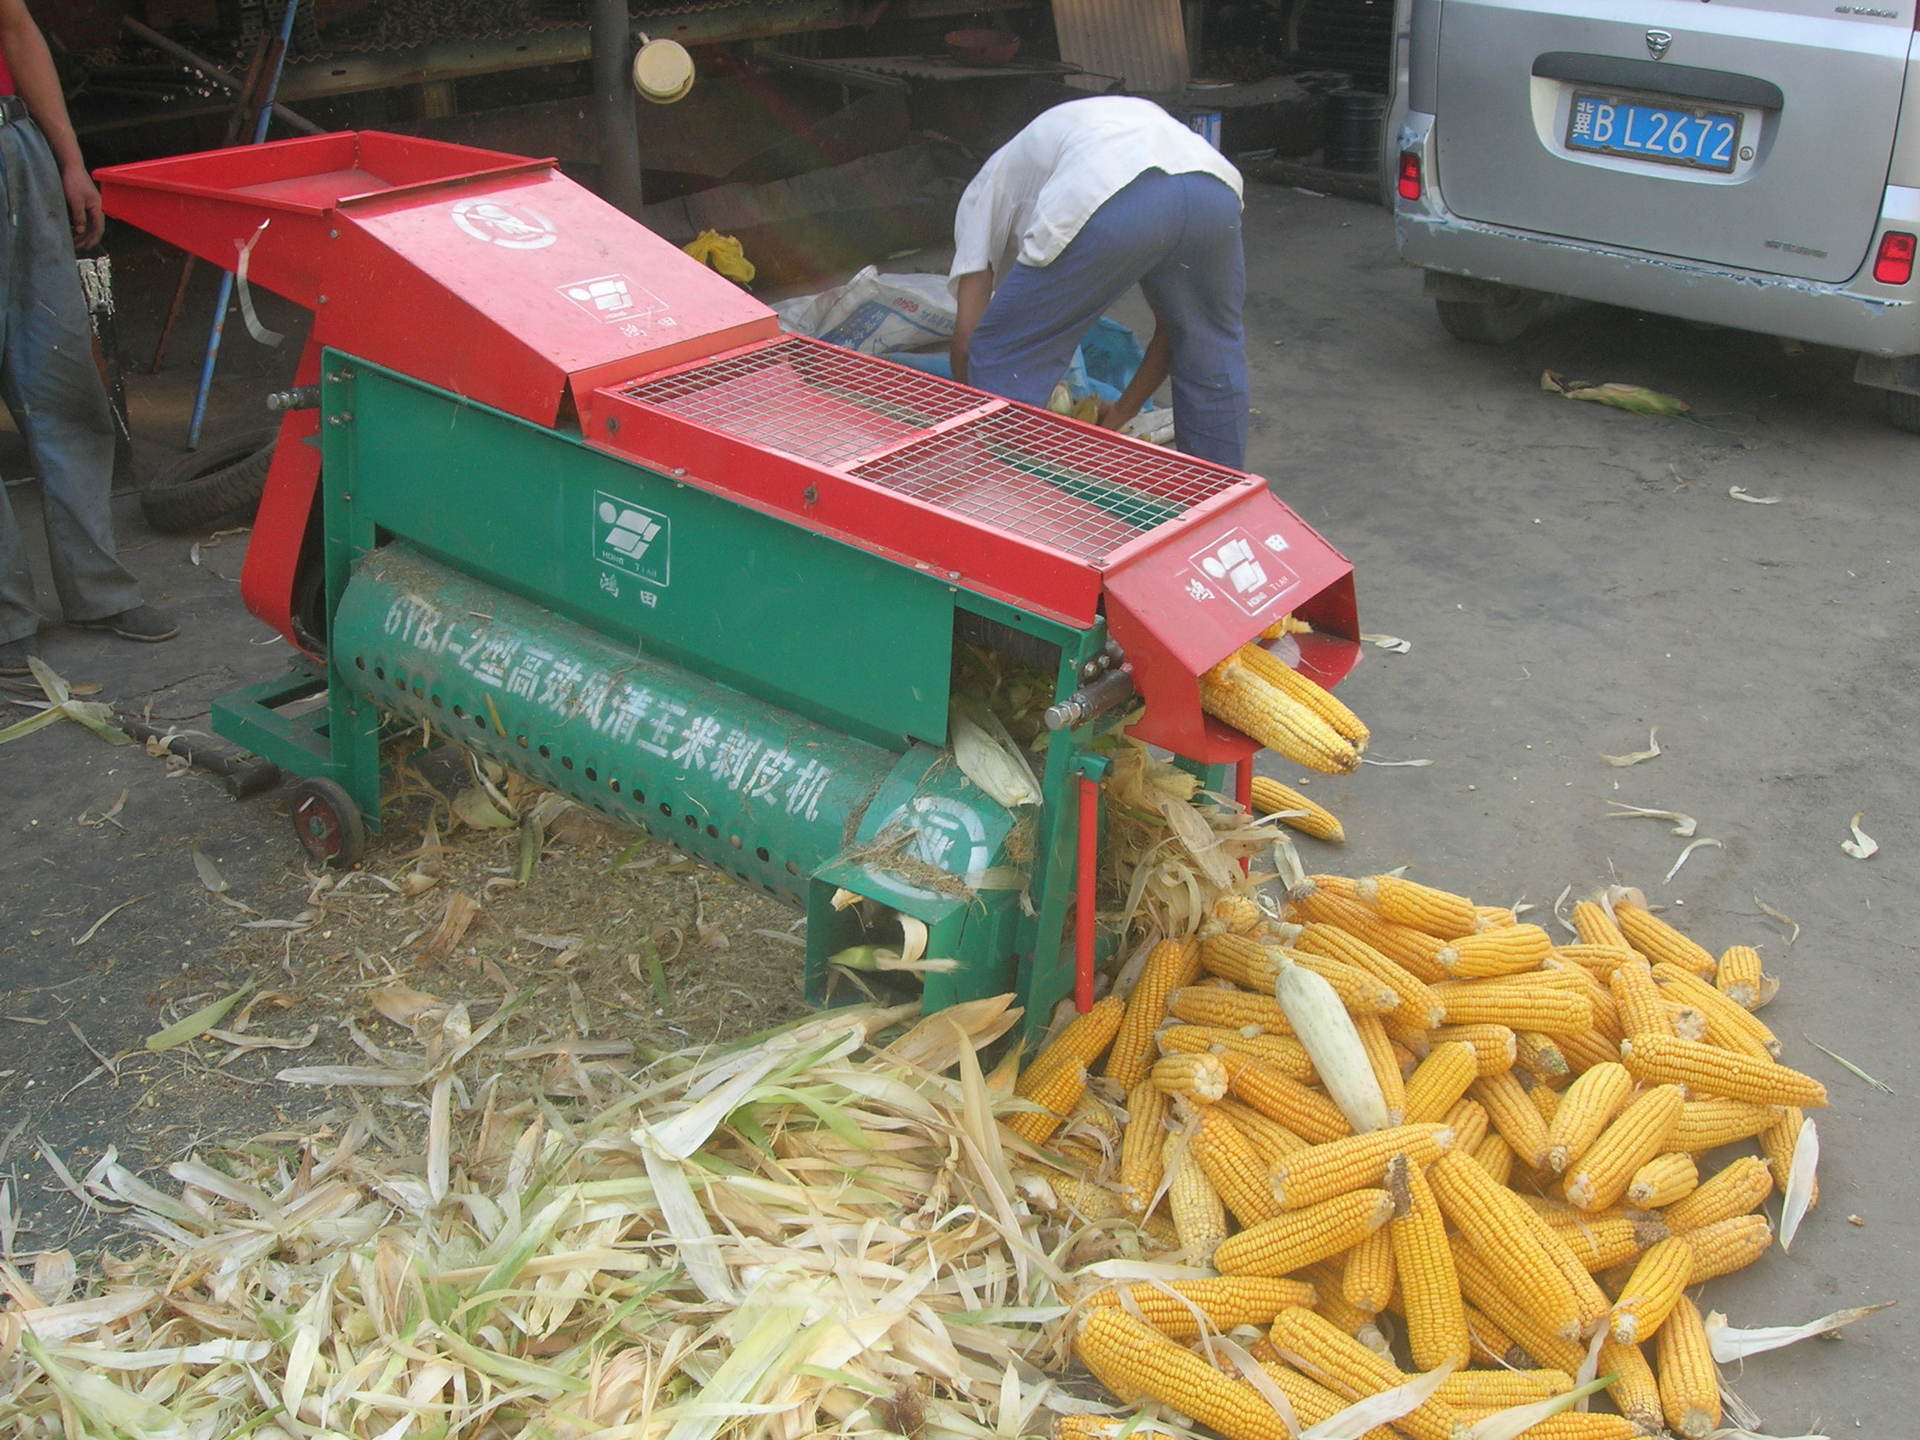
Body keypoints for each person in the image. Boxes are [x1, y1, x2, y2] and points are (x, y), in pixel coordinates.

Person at [0, 0, 174, 678]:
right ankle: (6, 615)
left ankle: (98, 590)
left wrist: (68, 160)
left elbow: (14, 25)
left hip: (15, 152)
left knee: (61, 378)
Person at [948, 95, 1250, 469]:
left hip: (1110, 189)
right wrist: (1121, 412)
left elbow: (968, 341)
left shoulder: (986, 188)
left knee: (1002, 350)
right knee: (1209, 350)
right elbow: (1173, 335)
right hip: (1212, 189)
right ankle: (1217, 502)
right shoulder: (1056, 142)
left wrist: (967, 424)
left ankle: (1002, 504)